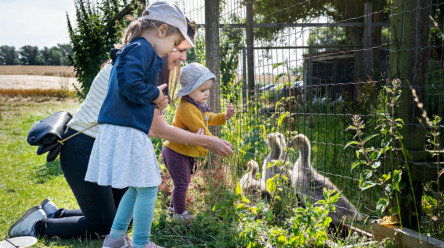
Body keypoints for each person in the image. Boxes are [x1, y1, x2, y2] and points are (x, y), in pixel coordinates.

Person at [7, 5, 233, 243]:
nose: (183, 57)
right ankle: (38, 225)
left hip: (107, 146)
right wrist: (209, 140)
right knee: (105, 224)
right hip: (84, 147)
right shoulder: (144, 59)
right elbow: (157, 130)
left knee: (125, 215)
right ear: (163, 34)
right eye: (179, 47)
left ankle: (55, 212)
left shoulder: (145, 60)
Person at [83, 2, 192, 247]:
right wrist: (153, 94)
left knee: (138, 185)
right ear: (162, 30)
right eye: (175, 43)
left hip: (125, 127)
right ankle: (141, 244)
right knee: (150, 184)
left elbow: (129, 91)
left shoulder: (138, 49)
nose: (173, 50)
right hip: (126, 129)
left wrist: (155, 99)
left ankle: (115, 239)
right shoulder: (142, 48)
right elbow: (128, 82)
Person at [162, 62, 235, 221]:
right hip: (176, 152)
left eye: (208, 89)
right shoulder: (187, 108)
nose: (207, 93)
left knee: (183, 181)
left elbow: (208, 119)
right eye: (203, 90)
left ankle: (173, 208)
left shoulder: (195, 105)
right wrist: (217, 142)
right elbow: (201, 129)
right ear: (189, 90)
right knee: (182, 183)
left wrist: (224, 117)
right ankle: (179, 214)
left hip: (181, 151)